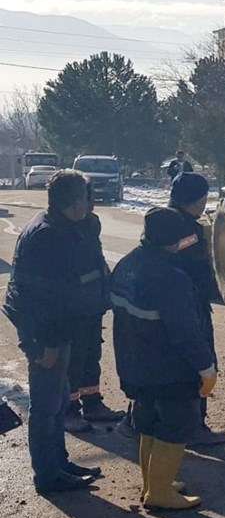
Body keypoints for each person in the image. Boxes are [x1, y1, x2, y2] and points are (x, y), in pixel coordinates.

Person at [3, 170, 104, 494]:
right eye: (87, 199)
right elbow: (36, 298)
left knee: (59, 401)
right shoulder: (48, 236)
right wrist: (40, 344)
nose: (90, 205)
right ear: (76, 203)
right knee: (46, 406)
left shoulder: (59, 227)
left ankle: (59, 463)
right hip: (47, 336)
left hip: (59, 331)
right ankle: (47, 475)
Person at [111, 207, 217, 510]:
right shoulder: (170, 277)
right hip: (168, 370)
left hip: (134, 365)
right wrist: (205, 366)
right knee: (176, 424)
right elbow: (185, 331)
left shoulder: (128, 263)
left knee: (148, 422)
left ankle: (153, 483)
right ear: (175, 240)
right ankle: (158, 493)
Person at [168, 173, 225, 446]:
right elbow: (195, 266)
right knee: (199, 365)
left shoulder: (164, 221)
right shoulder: (187, 230)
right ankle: (194, 427)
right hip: (190, 307)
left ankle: (164, 425)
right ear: (196, 200)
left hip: (176, 305)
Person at [64, 182, 124, 433]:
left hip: (92, 304)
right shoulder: (60, 230)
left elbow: (97, 260)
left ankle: (92, 403)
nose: (92, 203)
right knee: (73, 360)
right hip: (74, 308)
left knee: (91, 356)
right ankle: (68, 410)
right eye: (88, 198)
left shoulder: (91, 224)